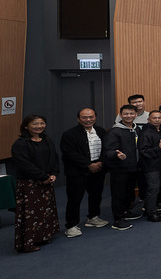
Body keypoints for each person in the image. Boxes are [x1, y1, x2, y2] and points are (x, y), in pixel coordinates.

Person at [11, 115, 60, 253]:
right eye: (35, 124)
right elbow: (24, 164)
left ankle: (43, 236)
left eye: (42, 123)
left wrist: (53, 174)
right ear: (26, 126)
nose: (39, 126)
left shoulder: (47, 140)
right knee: (31, 214)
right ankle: (27, 243)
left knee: (45, 211)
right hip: (29, 184)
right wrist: (43, 176)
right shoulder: (21, 144)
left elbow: (54, 158)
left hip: (47, 182)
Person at [60, 108, 108, 237]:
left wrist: (100, 163)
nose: (88, 120)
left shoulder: (101, 131)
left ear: (95, 117)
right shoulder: (69, 134)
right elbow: (69, 153)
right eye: (84, 117)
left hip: (98, 169)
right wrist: (88, 165)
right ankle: (71, 225)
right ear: (78, 119)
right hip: (77, 172)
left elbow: (107, 148)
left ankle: (93, 217)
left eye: (91, 117)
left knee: (96, 195)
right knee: (75, 198)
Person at [103, 105, 142, 230]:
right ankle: (117, 220)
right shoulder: (115, 131)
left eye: (131, 113)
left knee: (128, 193)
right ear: (120, 115)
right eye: (126, 114)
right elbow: (108, 151)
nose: (129, 116)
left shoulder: (137, 129)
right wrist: (116, 155)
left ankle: (126, 212)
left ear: (135, 115)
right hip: (119, 169)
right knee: (118, 194)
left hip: (133, 168)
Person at [136, 110, 161, 223]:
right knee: (153, 188)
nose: (157, 120)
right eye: (154, 118)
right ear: (148, 120)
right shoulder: (145, 133)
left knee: (158, 187)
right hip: (150, 166)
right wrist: (158, 148)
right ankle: (151, 213)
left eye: (159, 118)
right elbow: (144, 151)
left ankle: (150, 208)